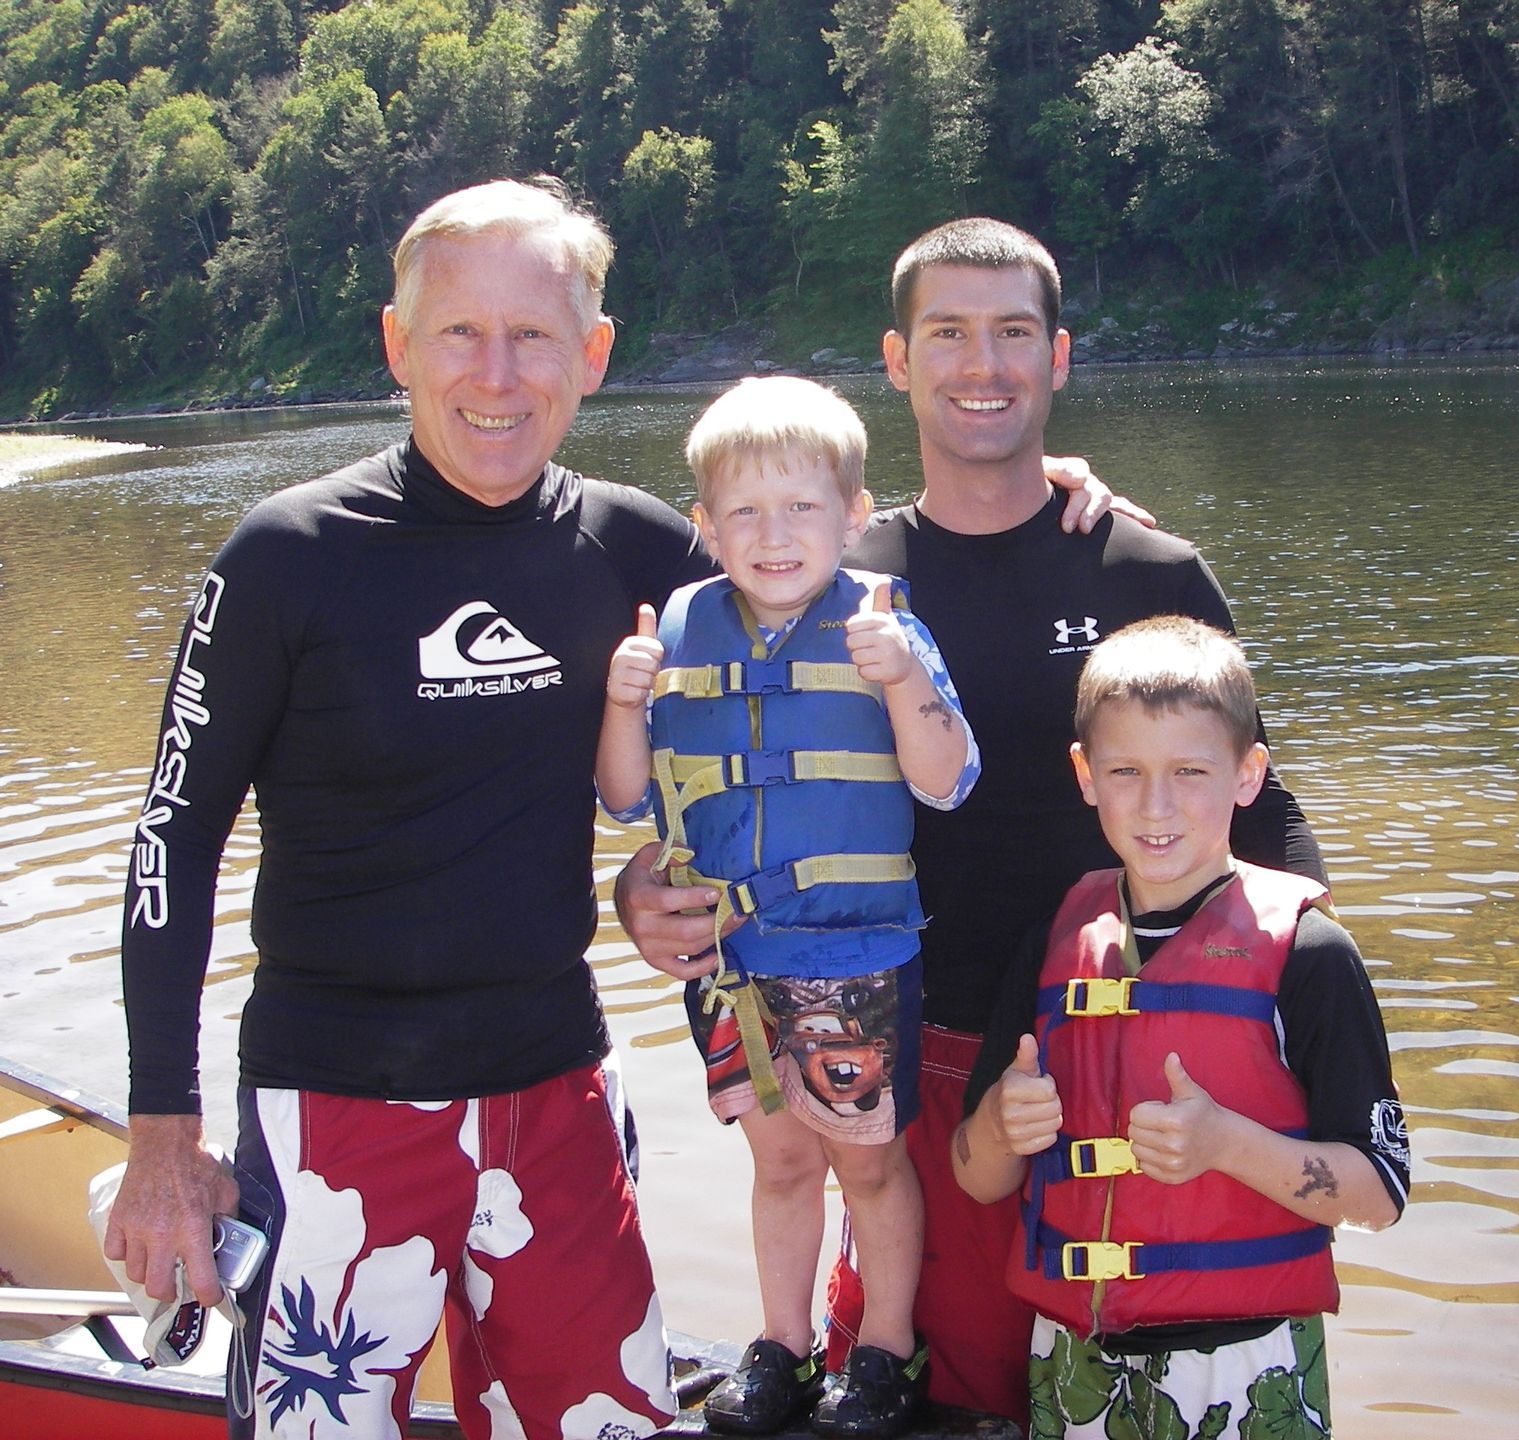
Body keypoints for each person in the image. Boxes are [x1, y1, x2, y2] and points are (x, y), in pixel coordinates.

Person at [616, 217, 1329, 1422]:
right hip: (909, 1039)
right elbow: (705, 764)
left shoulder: (1144, 568)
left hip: (1110, 1048)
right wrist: (639, 885)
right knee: (937, 1381)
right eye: (948, 333)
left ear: (1060, 357)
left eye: (1013, 332)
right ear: (898, 360)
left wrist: (1305, 1005)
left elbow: (1262, 806)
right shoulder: (833, 570)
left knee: (1122, 1381)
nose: (981, 364)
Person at [105, 177, 715, 1439]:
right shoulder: (285, 557)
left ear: (593, 356)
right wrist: (163, 1133)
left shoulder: (636, 551)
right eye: (459, 333)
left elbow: (821, 601)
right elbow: (172, 837)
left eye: (535, 334)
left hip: (556, 1094)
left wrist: (1032, 499)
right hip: (337, 1108)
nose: (498, 374)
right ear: (397, 344)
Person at [597, 376, 977, 1438]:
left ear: (852, 516)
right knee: (780, 1160)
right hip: (731, 963)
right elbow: (625, 794)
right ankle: (784, 1346)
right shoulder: (679, 625)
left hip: (852, 954)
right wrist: (626, 700)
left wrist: (902, 679)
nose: (774, 535)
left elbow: (948, 778)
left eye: (802, 507)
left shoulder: (883, 624)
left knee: (868, 1161)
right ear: (707, 527)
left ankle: (887, 1356)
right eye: (745, 513)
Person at [952, 616, 1409, 1440]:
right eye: (1125, 770)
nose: (1155, 805)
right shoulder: (1054, 936)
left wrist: (1228, 1143)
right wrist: (1000, 1123)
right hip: (1072, 1364)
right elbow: (977, 1177)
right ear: (1085, 775)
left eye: (1190, 771)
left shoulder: (1309, 953)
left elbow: (1381, 1196)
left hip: (1249, 1366)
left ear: (1247, 773)